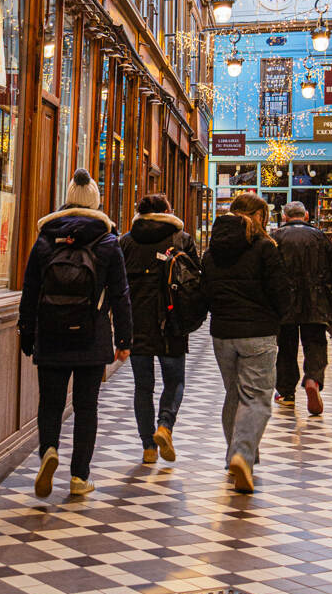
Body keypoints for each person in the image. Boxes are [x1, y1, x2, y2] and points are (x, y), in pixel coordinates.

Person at [18, 169, 132, 498]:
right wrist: (124, 340)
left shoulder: (44, 239)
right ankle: (80, 477)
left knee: (51, 404)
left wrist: (28, 334)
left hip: (50, 335)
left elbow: (30, 290)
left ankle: (49, 451)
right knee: (86, 408)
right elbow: (121, 295)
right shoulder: (108, 242)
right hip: (92, 336)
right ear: (96, 202)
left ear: (67, 200)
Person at [201, 192, 292, 493]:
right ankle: (242, 455)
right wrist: (278, 316)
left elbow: (206, 291)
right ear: (257, 217)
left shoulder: (211, 251)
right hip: (259, 333)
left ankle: (236, 457)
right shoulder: (266, 248)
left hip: (223, 334)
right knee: (255, 397)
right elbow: (281, 292)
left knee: (234, 394)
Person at [118, 193, 198, 464]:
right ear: (167, 211)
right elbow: (195, 282)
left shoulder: (126, 242)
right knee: (174, 381)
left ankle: (148, 447)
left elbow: (117, 288)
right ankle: (165, 424)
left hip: (136, 323)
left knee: (143, 387)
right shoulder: (182, 239)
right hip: (171, 323)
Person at [272, 200, 332, 416]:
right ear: (306, 216)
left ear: (284, 217)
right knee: (316, 344)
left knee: (286, 348)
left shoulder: (276, 238)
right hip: (317, 302)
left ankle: (286, 393)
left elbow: (267, 273)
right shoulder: (320, 237)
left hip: (284, 303)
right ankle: (313, 380)